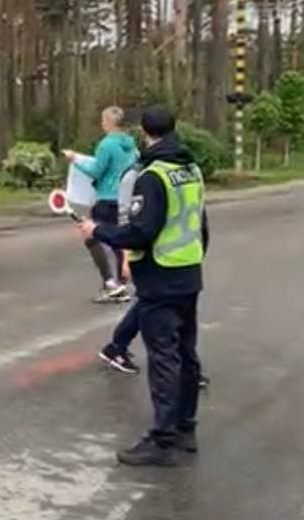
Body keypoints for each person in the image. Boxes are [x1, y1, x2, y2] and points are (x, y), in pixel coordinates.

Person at [78, 106, 208, 467]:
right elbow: (200, 223)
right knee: (186, 353)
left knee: (164, 358)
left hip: (160, 276)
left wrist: (98, 231)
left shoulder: (152, 176)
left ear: (143, 132)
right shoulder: (190, 169)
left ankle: (163, 440)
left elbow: (141, 231)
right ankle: (185, 427)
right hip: (188, 272)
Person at [65, 106, 139, 303]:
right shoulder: (132, 147)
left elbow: (97, 170)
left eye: (103, 120)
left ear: (110, 122)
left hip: (106, 197)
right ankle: (122, 281)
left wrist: (76, 160)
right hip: (126, 197)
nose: (101, 123)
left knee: (92, 236)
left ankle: (110, 282)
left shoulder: (106, 145)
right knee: (119, 240)